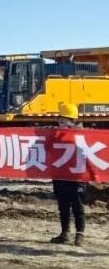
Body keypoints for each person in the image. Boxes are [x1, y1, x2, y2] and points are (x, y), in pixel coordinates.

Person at [50, 103, 87, 246]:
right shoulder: (56, 134)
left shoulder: (83, 135)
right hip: (60, 174)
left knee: (77, 205)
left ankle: (80, 234)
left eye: (63, 121)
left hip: (77, 176)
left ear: (72, 121)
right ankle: (65, 233)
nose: (60, 124)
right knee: (63, 205)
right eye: (59, 121)